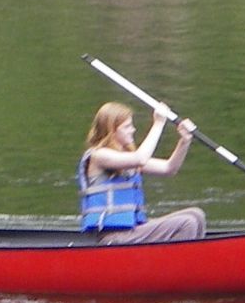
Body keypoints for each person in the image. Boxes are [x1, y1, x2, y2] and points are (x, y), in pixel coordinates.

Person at [78, 101, 207, 244]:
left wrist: (184, 141)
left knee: (196, 215)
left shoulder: (127, 157)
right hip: (112, 238)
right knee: (187, 223)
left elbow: (169, 168)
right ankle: (179, 264)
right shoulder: (99, 156)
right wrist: (158, 123)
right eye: (127, 127)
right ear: (112, 131)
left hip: (132, 231)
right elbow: (141, 159)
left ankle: (191, 260)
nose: (133, 130)